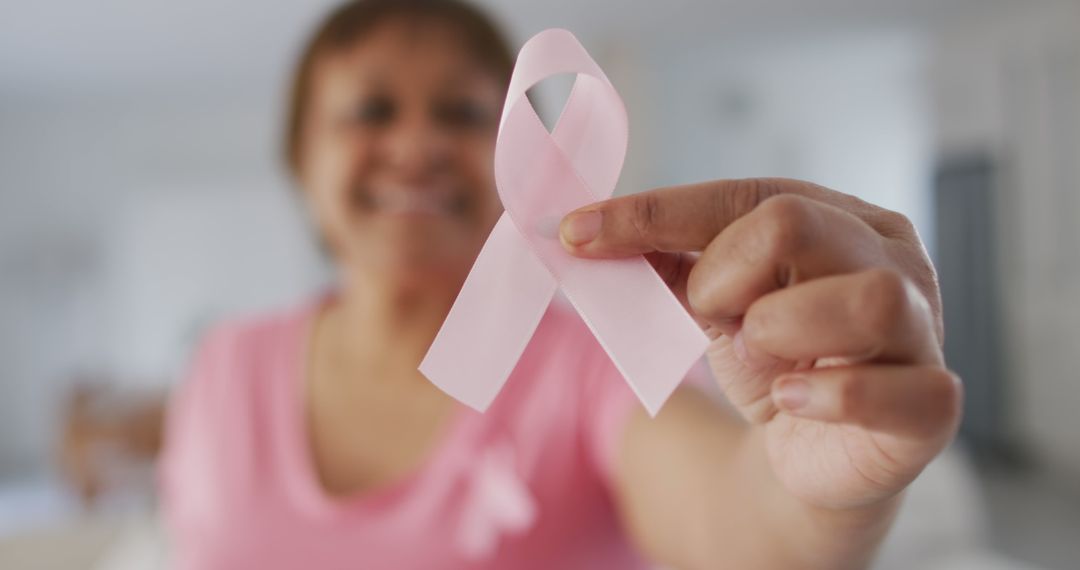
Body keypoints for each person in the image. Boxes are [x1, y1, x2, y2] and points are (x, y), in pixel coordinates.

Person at [76, 1, 963, 568]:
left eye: (463, 113)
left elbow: (734, 523)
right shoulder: (228, 360)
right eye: (372, 110)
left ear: (530, 165)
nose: (417, 145)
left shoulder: (589, 372)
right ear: (301, 164)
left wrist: (817, 489)